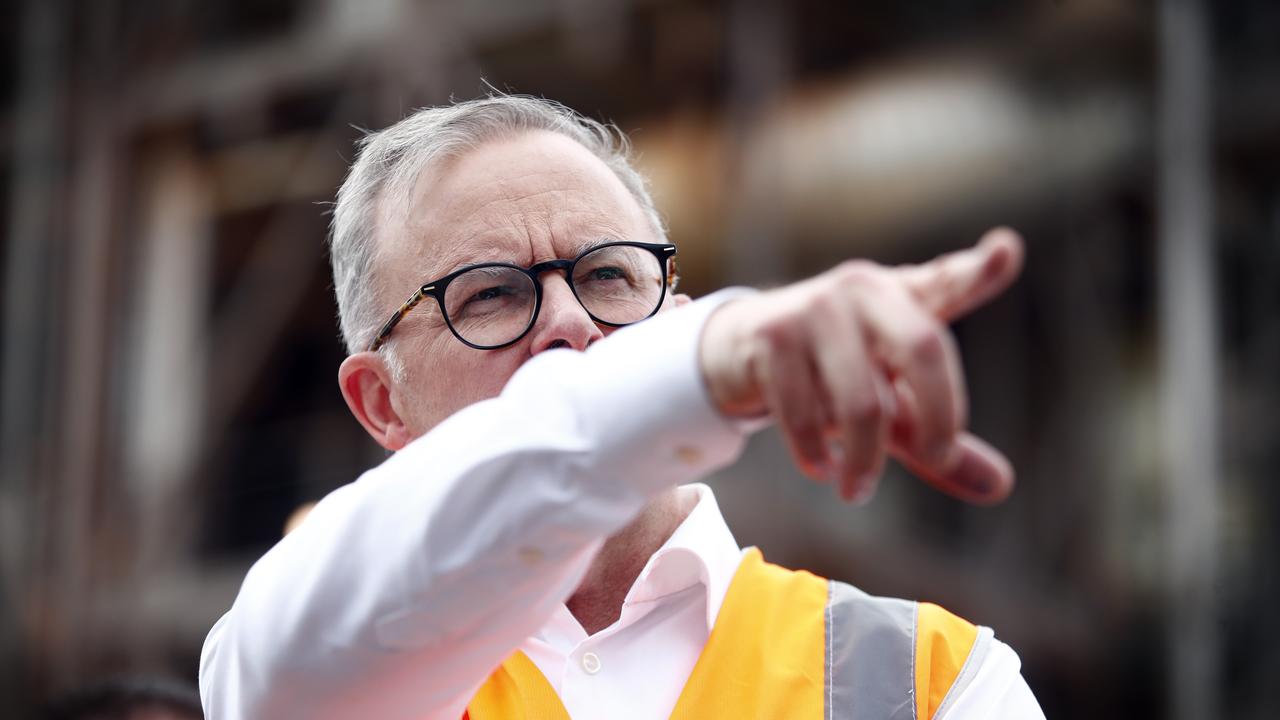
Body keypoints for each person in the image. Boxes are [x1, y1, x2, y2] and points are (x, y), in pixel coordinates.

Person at [199, 94, 1044, 719]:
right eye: (490, 294)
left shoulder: (937, 682)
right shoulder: (314, 648)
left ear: (676, 315)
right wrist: (702, 369)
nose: (569, 323)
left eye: (609, 276)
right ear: (381, 402)